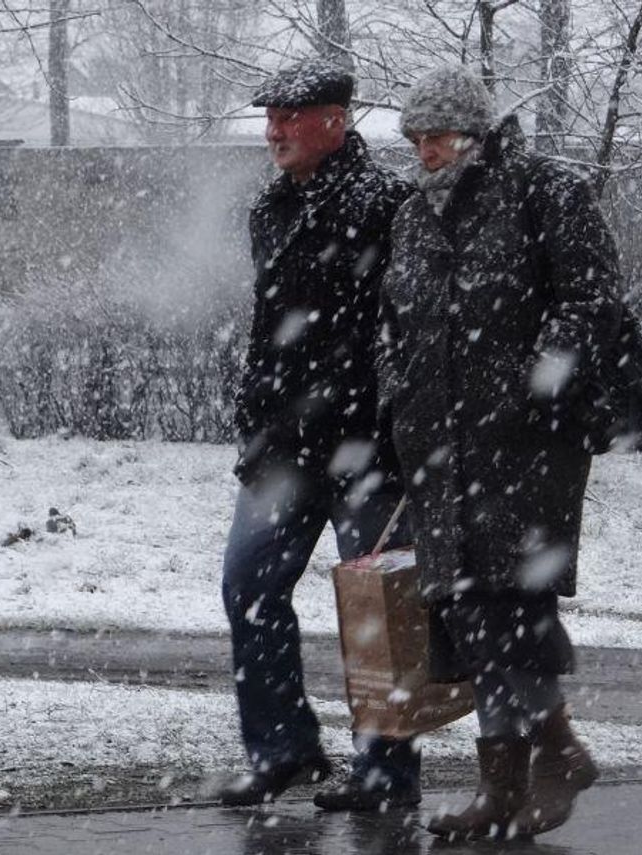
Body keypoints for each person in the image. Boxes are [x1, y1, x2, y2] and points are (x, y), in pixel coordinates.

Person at [376, 64, 619, 840]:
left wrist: (537, 382)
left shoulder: (544, 193)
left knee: (509, 603)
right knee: (470, 608)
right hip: (440, 441)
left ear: (475, 134)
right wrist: (396, 388)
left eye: (436, 136)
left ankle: (556, 754)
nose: (423, 150)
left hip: (526, 443)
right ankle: (506, 782)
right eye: (414, 137)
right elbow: (393, 318)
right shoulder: (415, 214)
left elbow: (591, 297)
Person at [217, 58, 420, 811]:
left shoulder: (387, 205)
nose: (274, 129)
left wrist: (400, 426)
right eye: (270, 115)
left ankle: (386, 772)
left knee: (375, 611)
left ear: (335, 118)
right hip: (281, 445)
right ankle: (283, 751)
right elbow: (271, 330)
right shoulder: (269, 208)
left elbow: (408, 326)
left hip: (367, 444)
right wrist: (256, 412)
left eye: (291, 115)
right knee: (249, 586)